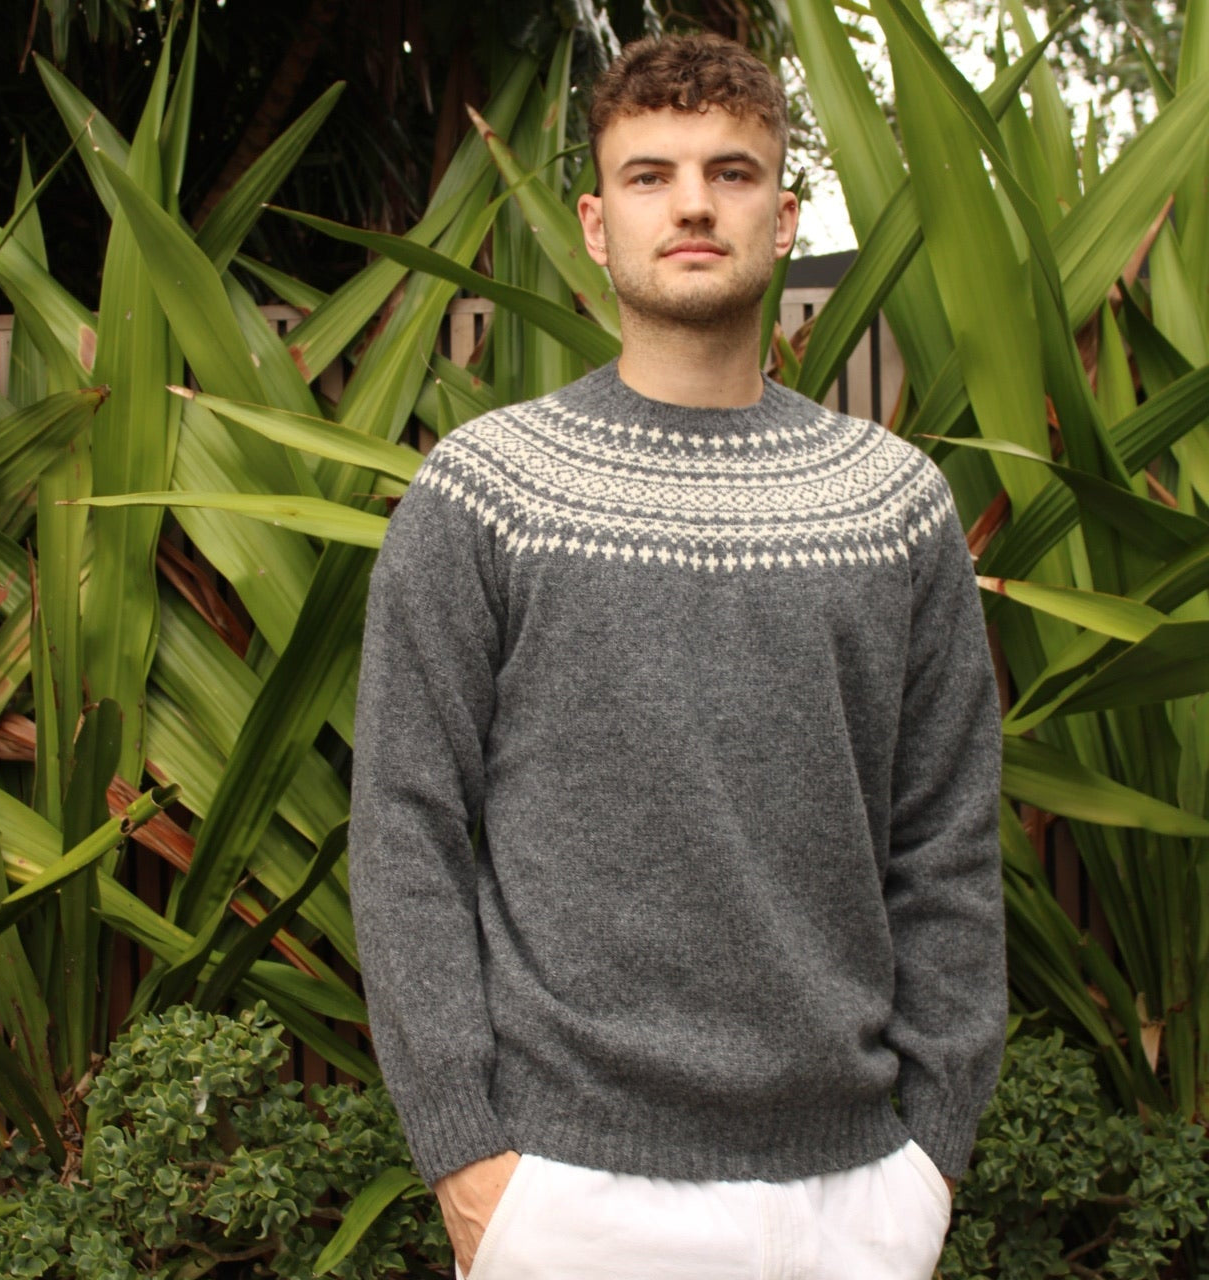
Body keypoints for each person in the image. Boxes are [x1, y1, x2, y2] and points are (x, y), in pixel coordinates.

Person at [349, 31, 1005, 1280]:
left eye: (731, 171)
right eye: (649, 175)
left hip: (855, 1192)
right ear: (596, 225)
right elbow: (404, 827)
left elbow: (948, 838)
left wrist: (931, 1150)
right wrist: (467, 1158)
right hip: (565, 1192)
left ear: (783, 212)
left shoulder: (892, 503)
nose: (693, 202)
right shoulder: (484, 491)